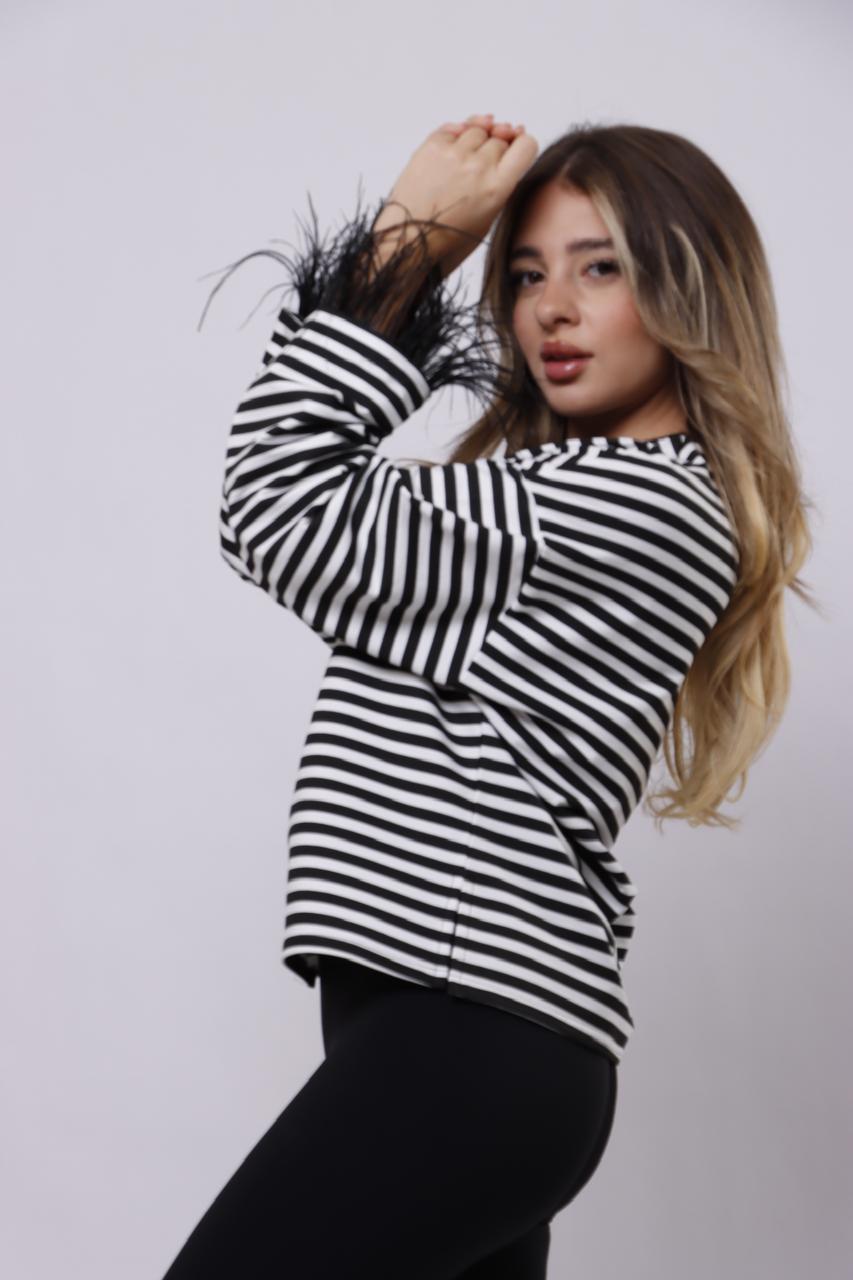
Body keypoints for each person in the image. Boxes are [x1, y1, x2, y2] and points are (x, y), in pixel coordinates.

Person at [161, 113, 816, 1279]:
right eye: (522, 274)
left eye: (600, 268)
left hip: (468, 1030)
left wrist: (405, 242)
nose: (549, 309)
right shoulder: (575, 494)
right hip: (480, 1044)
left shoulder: (619, 504)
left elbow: (273, 499)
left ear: (690, 289)